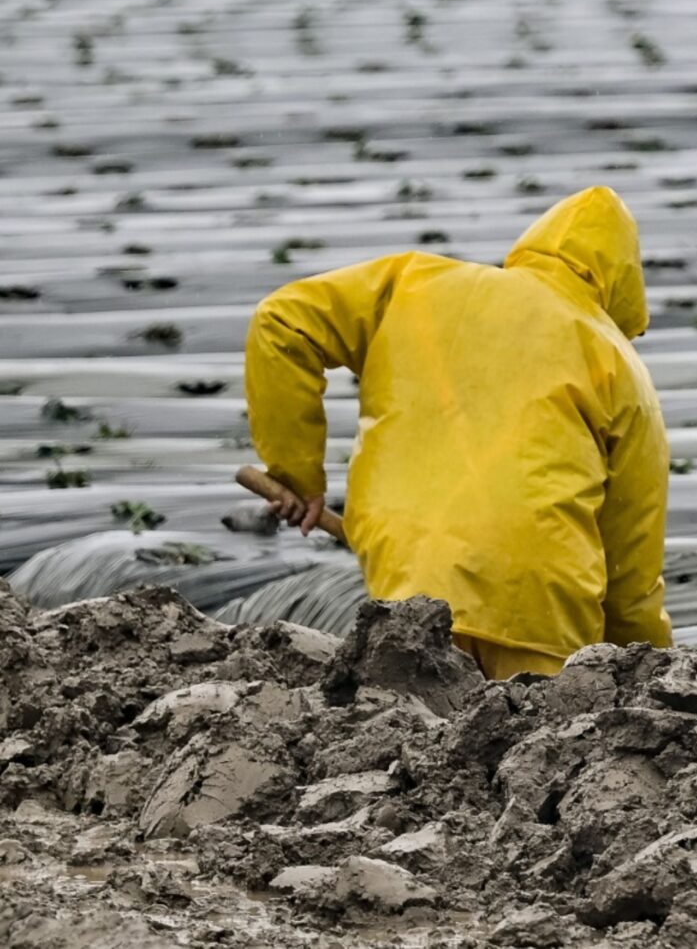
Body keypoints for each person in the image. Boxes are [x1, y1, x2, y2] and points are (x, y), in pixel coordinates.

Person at [244, 186, 674, 679]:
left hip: (409, 587)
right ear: (622, 284)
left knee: (413, 719)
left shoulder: (415, 284)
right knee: (534, 724)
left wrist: (298, 475)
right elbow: (630, 563)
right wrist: (650, 667)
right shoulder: (622, 369)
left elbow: (281, 323)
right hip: (541, 607)